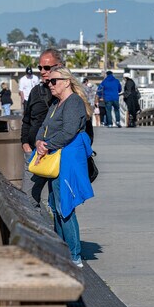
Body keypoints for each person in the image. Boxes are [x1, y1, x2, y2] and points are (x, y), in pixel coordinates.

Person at [33, 66, 94, 268]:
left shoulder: (73, 103)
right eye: (48, 82)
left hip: (65, 160)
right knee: (55, 205)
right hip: (55, 159)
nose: (50, 85)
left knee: (65, 206)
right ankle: (62, 250)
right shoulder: (57, 104)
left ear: (66, 81)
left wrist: (47, 145)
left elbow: (68, 132)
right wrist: (39, 142)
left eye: (54, 81)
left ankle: (74, 255)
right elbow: (43, 127)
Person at [21, 49, 64, 209]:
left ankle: (58, 235)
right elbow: (26, 120)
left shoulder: (67, 93)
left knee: (59, 205)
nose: (42, 72)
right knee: (27, 201)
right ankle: (33, 234)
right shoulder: (36, 92)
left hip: (58, 155)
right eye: (40, 68)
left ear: (59, 66)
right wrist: (25, 143)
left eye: (47, 68)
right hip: (33, 154)